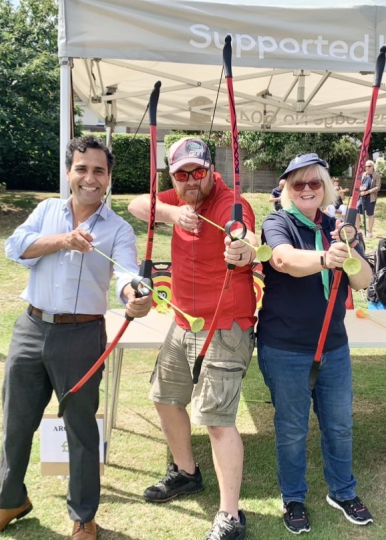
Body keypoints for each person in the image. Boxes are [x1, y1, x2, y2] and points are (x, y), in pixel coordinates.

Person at [0, 136, 152, 540]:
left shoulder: (118, 228)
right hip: (31, 328)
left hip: (82, 335)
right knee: (16, 424)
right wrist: (63, 240)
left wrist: (136, 296)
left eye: (98, 170)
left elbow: (126, 275)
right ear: (69, 172)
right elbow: (14, 247)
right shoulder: (47, 209)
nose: (90, 178)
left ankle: (84, 516)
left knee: (82, 430)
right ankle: (9, 501)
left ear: (108, 178)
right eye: (81, 168)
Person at [127, 137, 258, 540]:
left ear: (209, 171)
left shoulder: (229, 201)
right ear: (172, 175)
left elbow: (246, 235)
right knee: (164, 398)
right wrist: (171, 212)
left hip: (225, 325)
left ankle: (230, 516)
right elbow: (136, 204)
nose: (189, 181)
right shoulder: (177, 196)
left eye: (197, 173)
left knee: (217, 421)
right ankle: (186, 473)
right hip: (183, 322)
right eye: (180, 174)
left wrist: (243, 249)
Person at [257, 153, 373, 534]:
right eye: (298, 184)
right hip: (285, 346)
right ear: (287, 189)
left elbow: (363, 281)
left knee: (339, 425)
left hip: (333, 346)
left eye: (314, 183)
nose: (307, 190)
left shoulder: (337, 226)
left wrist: (348, 248)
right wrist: (326, 258)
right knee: (291, 428)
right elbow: (284, 260)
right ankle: (293, 497)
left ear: (325, 186)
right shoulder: (278, 221)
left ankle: (342, 491)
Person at [356, 160, 381, 237]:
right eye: (366, 166)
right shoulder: (363, 174)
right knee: (357, 211)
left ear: (373, 166)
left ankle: (369, 232)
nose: (367, 168)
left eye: (369, 166)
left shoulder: (376, 175)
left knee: (370, 214)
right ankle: (358, 230)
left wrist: (367, 192)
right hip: (361, 197)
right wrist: (361, 189)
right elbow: (359, 184)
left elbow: (378, 187)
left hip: (370, 198)